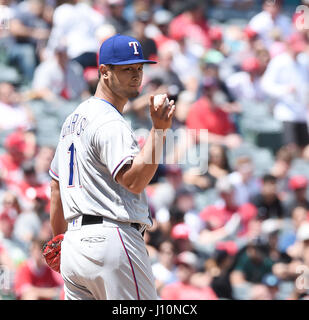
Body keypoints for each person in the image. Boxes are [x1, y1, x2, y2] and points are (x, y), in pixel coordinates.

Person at [48, 33, 176, 300]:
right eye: (127, 68)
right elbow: (133, 181)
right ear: (104, 71)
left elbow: (56, 188)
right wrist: (160, 131)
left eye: (139, 68)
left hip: (74, 246)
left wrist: (61, 240)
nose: (136, 75)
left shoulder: (73, 120)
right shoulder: (110, 121)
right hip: (113, 238)